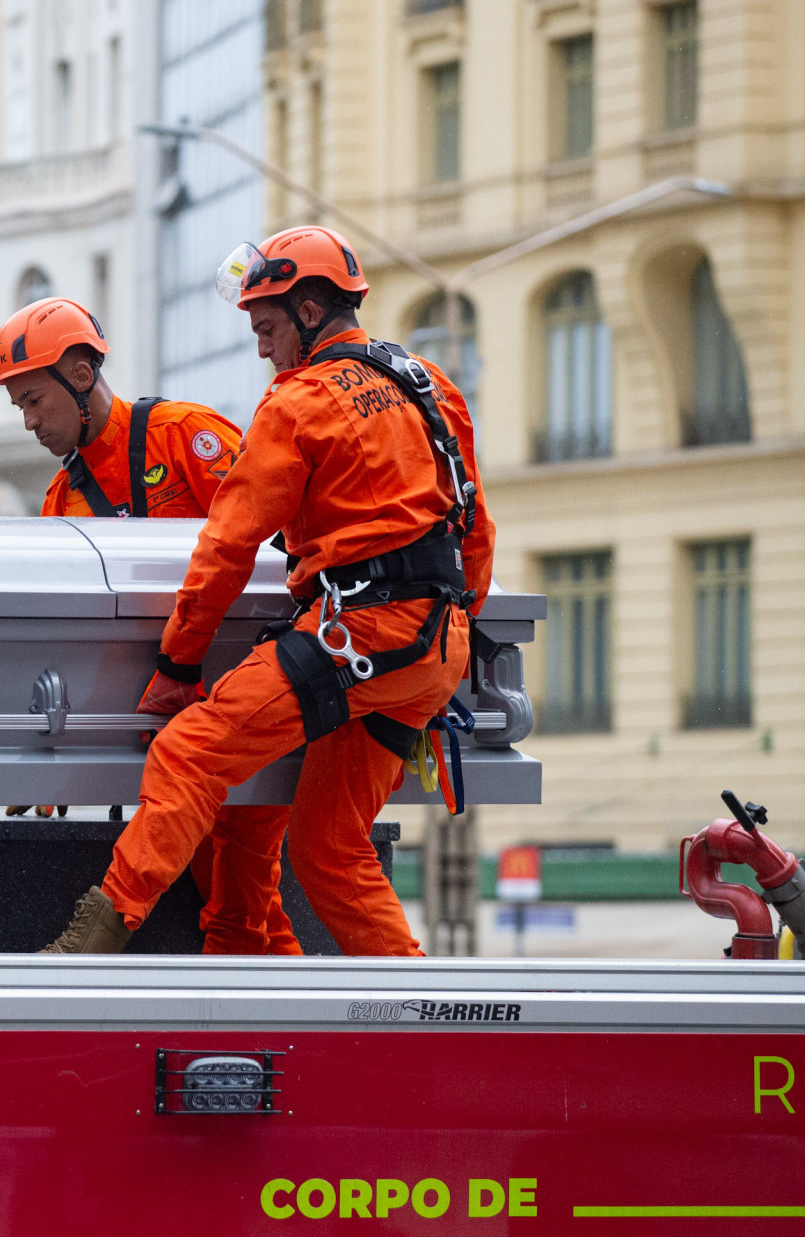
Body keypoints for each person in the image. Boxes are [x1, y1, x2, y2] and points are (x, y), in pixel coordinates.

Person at [41, 226, 495, 957]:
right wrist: (452, 634)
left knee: (188, 751)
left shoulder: (298, 403)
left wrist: (179, 663)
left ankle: (92, 940)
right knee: (332, 848)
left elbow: (228, 545)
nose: (262, 349)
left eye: (266, 328)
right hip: (436, 649)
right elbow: (475, 528)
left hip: (359, 637)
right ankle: (418, 1007)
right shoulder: (428, 384)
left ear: (309, 313)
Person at [0, 296, 299, 956]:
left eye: (34, 400)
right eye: (19, 406)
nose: (28, 421)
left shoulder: (187, 437)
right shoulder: (62, 501)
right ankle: (287, 1018)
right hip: (171, 729)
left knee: (245, 893)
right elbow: (69, 641)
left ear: (80, 375)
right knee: (237, 906)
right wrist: (52, 762)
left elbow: (279, 546)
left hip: (250, 706)